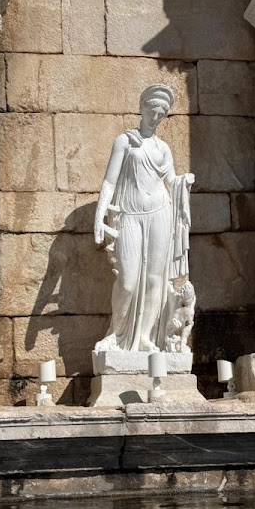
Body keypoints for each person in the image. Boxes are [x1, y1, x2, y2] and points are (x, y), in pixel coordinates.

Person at [94, 84, 195, 354]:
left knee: (154, 280)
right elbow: (109, 181)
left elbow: (170, 181)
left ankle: (145, 338)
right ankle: (117, 334)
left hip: (159, 213)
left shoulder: (163, 148)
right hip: (130, 214)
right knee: (127, 280)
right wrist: (99, 215)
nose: (156, 117)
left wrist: (183, 182)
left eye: (162, 113)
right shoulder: (126, 141)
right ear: (142, 108)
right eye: (152, 110)